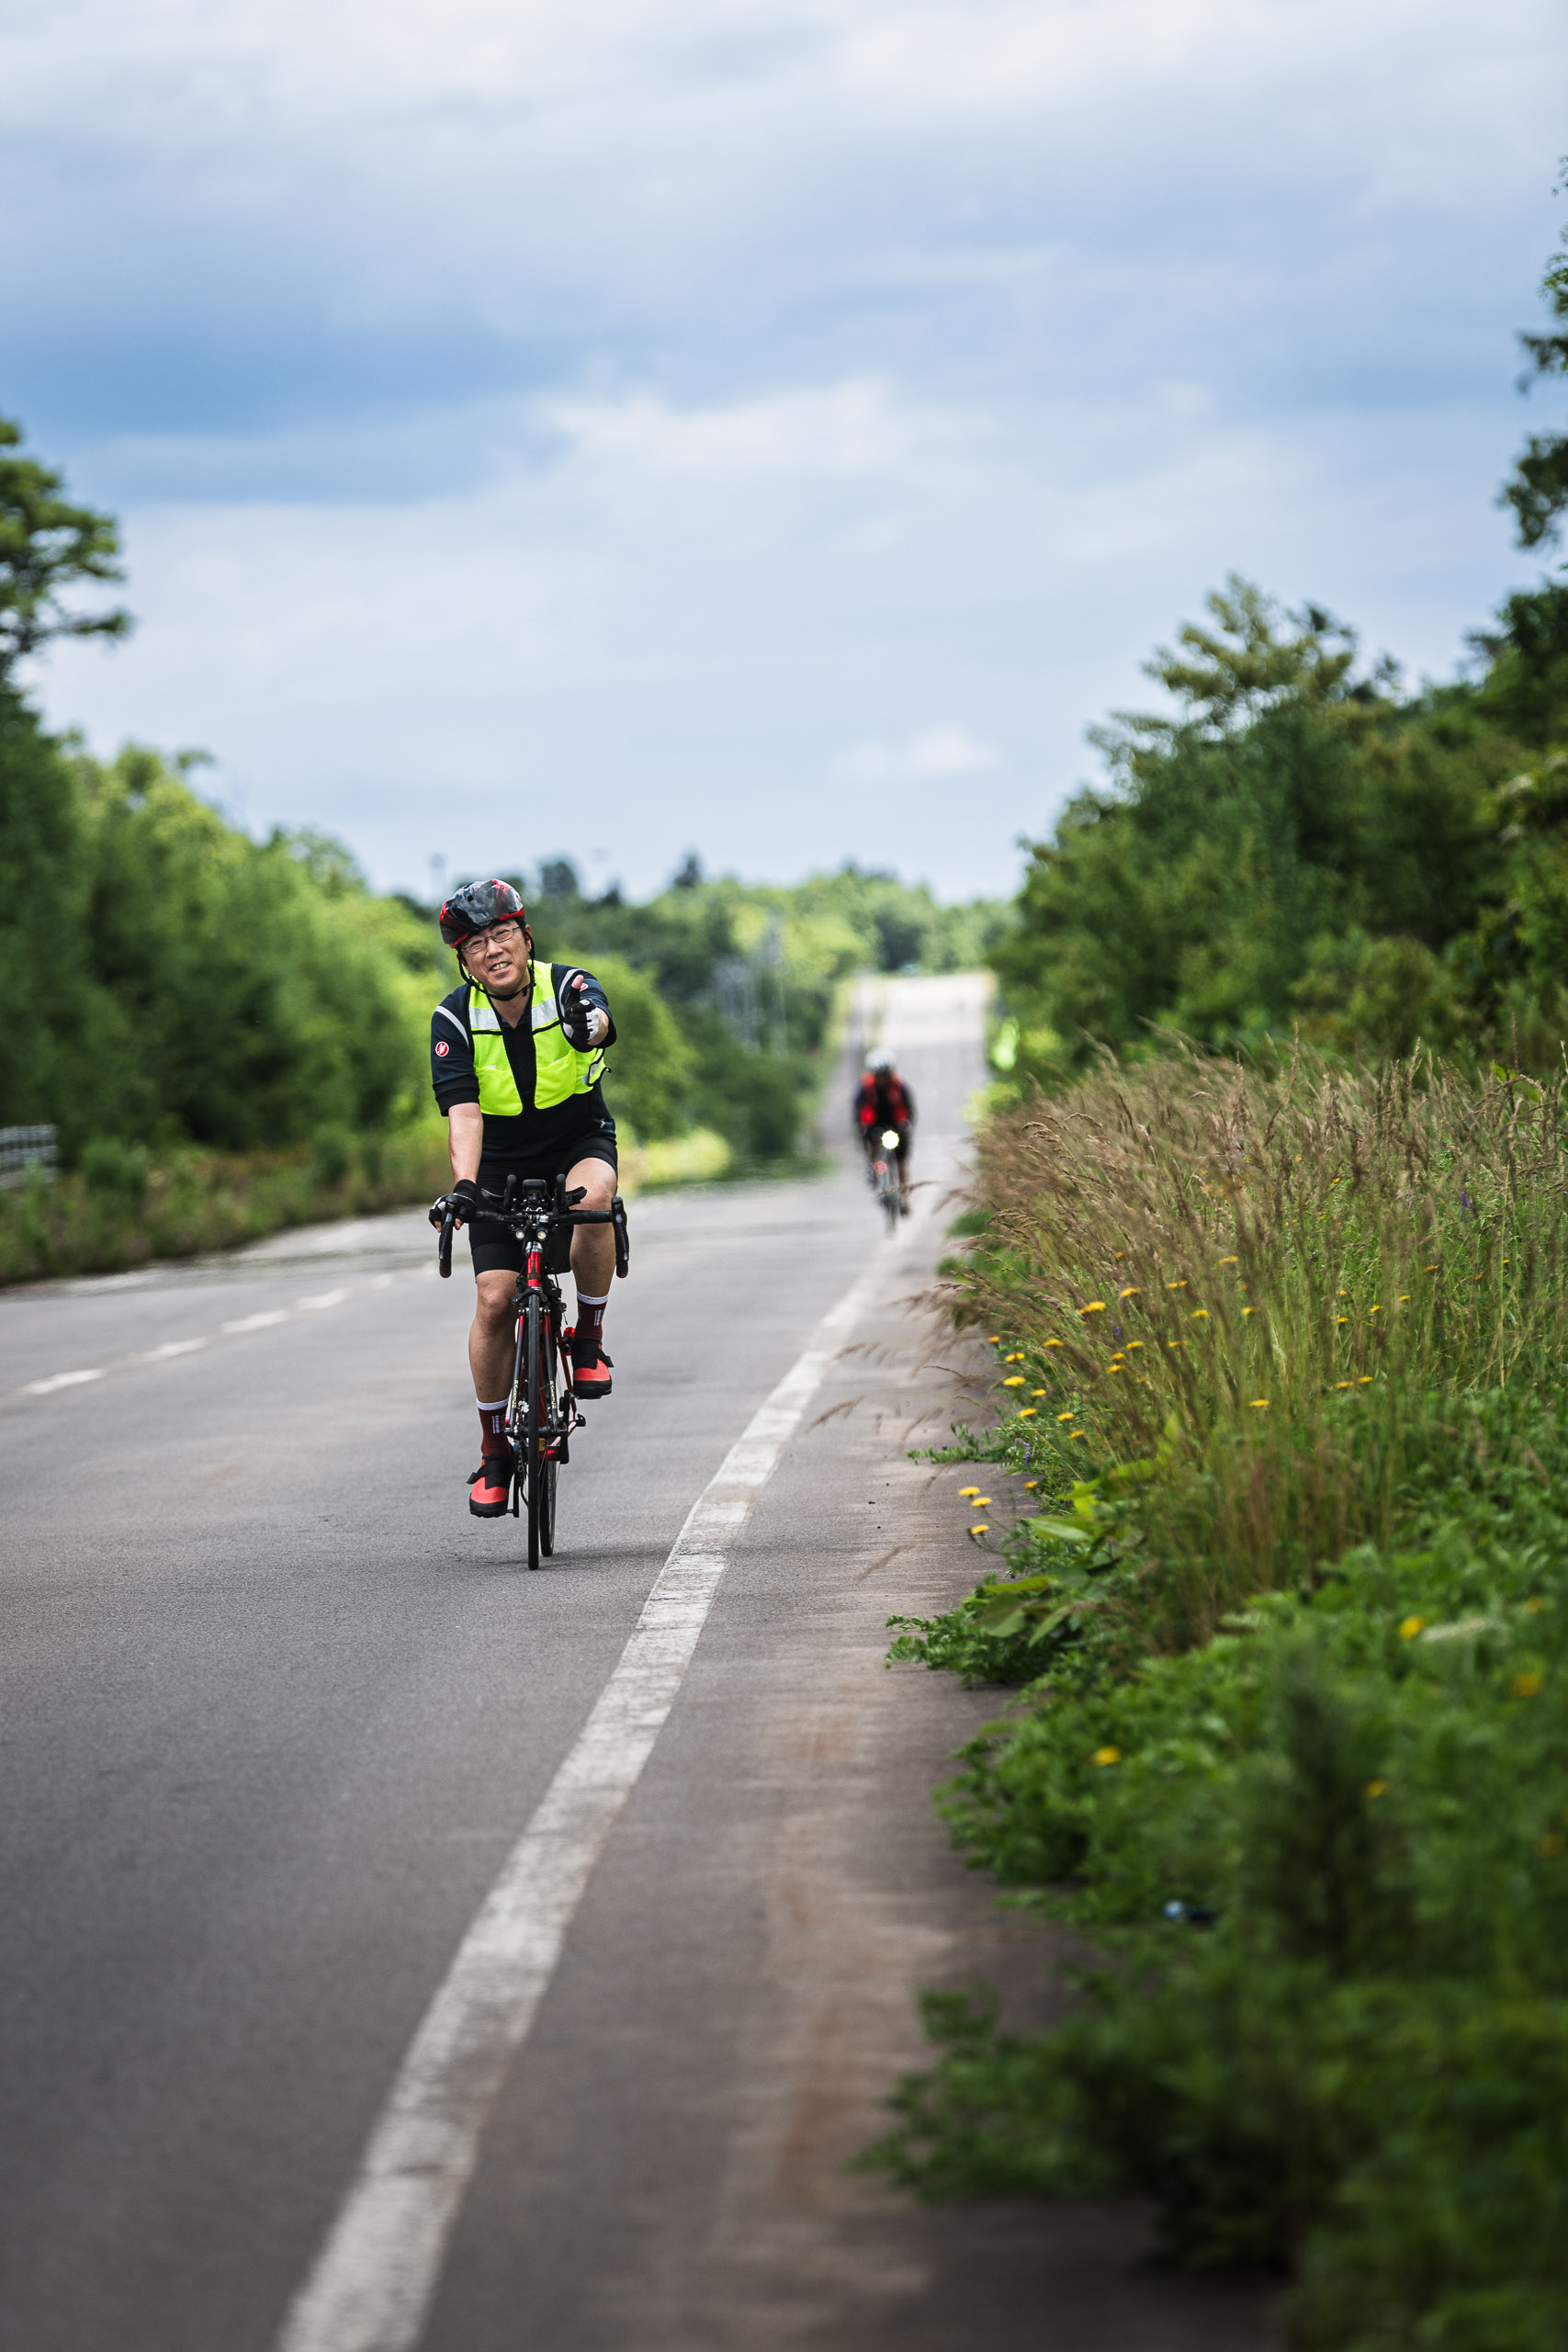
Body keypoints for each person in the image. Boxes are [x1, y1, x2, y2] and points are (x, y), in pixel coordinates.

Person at [426, 878, 620, 1519]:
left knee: (597, 1196)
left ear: (525, 936)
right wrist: (462, 1189)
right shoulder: (454, 1018)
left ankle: (587, 1338)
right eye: (476, 943)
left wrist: (591, 1024)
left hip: (574, 1138)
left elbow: (597, 1021)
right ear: (464, 958)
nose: (492, 950)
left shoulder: (567, 986)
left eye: (502, 934)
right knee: (494, 1298)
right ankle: (493, 1451)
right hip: (498, 1161)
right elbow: (463, 1114)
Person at [853, 1051, 915, 1203]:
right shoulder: (866, 1088)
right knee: (872, 1143)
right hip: (874, 1123)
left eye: (886, 1074)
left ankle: (904, 1198)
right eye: (879, 1075)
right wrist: (862, 1126)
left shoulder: (899, 1087)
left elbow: (909, 1109)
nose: (883, 1078)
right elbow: (858, 1109)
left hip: (896, 1124)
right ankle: (872, 1168)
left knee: (901, 1162)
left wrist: (906, 1124)